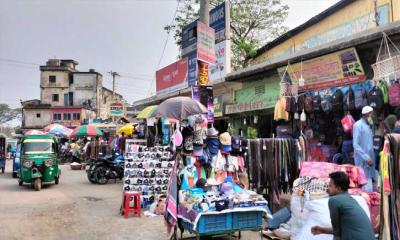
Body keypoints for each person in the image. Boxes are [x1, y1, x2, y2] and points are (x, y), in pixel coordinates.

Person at [311, 171, 375, 240]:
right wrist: (323, 230)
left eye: (330, 186)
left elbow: (337, 234)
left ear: (338, 188)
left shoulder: (334, 200)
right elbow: (339, 230)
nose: (327, 189)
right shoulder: (350, 199)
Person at [352, 105, 375, 192]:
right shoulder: (358, 125)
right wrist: (366, 157)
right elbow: (355, 144)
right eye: (372, 114)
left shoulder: (367, 125)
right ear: (367, 114)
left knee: (369, 182)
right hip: (362, 159)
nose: (373, 116)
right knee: (364, 184)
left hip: (369, 159)